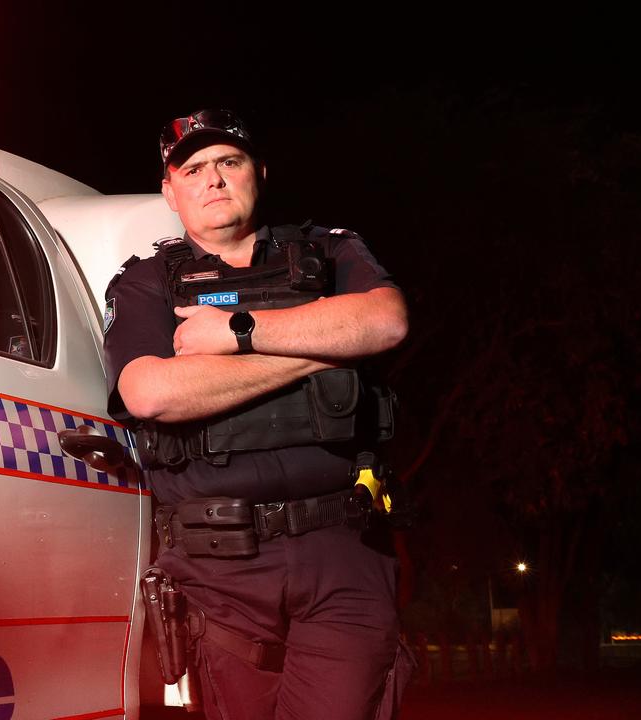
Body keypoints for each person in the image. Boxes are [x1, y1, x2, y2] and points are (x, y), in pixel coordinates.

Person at [105, 109, 410, 720]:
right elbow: (150, 393)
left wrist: (238, 331)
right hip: (221, 571)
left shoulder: (329, 251)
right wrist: (322, 352)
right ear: (171, 192)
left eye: (228, 162)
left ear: (258, 173)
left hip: (342, 553)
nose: (213, 179)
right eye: (193, 169)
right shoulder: (144, 284)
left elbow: (385, 320)